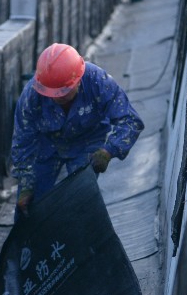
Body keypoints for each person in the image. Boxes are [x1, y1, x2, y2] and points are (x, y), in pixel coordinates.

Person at [11, 43, 144, 219]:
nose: (57, 98)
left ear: (78, 80)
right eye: (52, 94)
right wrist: (26, 183)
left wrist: (108, 151)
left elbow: (130, 120)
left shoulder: (98, 81)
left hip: (87, 142)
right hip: (47, 145)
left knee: (79, 201)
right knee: (32, 204)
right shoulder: (31, 96)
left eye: (63, 92)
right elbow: (22, 140)